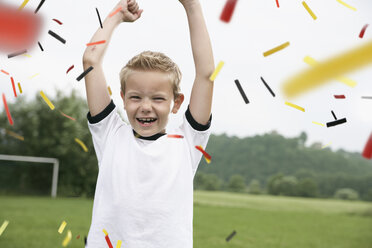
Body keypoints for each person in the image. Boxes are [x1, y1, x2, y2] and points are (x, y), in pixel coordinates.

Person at [82, 0, 215, 247]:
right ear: (123, 98)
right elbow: (91, 61)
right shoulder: (110, 133)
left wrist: (192, 6)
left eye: (157, 98)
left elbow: (206, 75)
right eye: (135, 97)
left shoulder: (187, 142)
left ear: (176, 103)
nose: (145, 106)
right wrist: (116, 15)